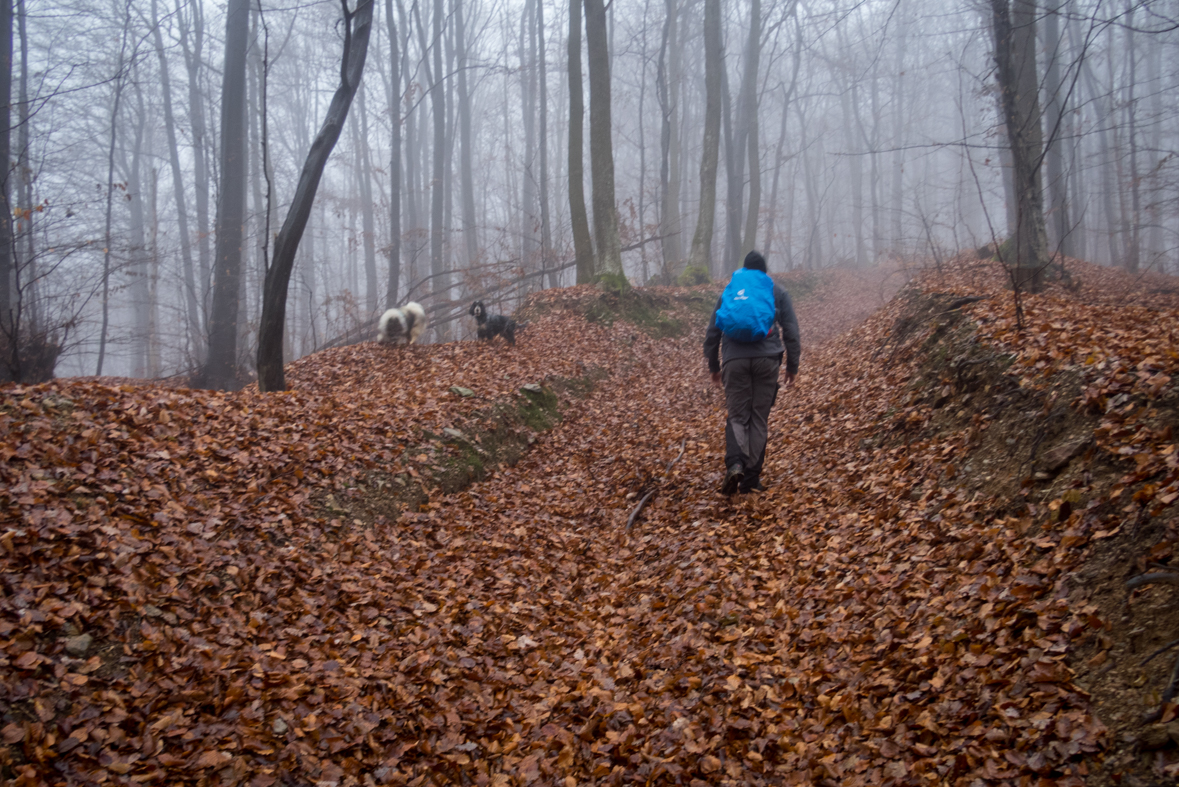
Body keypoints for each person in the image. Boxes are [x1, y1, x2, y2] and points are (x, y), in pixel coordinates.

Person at [703, 250, 801, 494]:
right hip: (767, 359)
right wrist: (792, 366)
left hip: (734, 360)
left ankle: (735, 463)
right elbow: (791, 330)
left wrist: (714, 366)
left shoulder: (731, 290)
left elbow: (713, 332)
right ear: (764, 271)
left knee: (738, 416)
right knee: (758, 417)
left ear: (744, 269)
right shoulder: (776, 291)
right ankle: (750, 478)